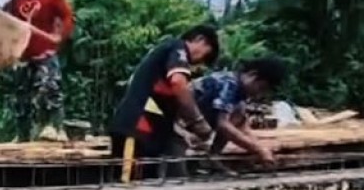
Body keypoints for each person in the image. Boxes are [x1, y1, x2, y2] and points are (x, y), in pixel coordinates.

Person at [107, 25, 221, 180]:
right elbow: (178, 84)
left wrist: (184, 134)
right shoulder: (177, 47)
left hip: (148, 135)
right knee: (126, 188)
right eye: (203, 57)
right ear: (200, 40)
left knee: (145, 186)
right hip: (137, 129)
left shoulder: (163, 67)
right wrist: (197, 120)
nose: (198, 64)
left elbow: (167, 102)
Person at [3, 0, 76, 142]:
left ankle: (56, 127)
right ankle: (22, 134)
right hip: (24, 53)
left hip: (45, 51)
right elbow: (7, 18)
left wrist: (61, 36)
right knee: (21, 95)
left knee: (50, 88)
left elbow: (67, 16)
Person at [191, 57, 287, 166]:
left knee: (239, 112)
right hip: (178, 121)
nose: (259, 94)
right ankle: (209, 159)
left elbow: (242, 126)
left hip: (198, 120)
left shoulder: (240, 93)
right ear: (252, 75)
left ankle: (213, 157)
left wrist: (260, 148)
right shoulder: (229, 83)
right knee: (177, 172)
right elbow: (223, 124)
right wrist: (258, 149)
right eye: (261, 88)